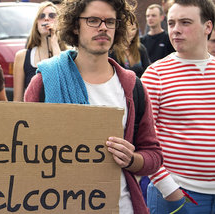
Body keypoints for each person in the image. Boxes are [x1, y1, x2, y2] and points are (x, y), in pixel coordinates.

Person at [24, 0, 163, 213]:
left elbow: (153, 155)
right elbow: (23, 153)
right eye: (93, 20)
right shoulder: (45, 82)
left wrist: (131, 159)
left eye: (110, 21)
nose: (103, 27)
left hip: (120, 206)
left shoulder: (132, 86)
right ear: (75, 26)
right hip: (58, 204)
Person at [141, 0, 215, 213]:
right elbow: (142, 138)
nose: (176, 30)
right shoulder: (156, 75)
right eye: (172, 23)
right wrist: (169, 189)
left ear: (207, 27)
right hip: (177, 195)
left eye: (185, 22)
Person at [13, 1, 66, 102]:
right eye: (41, 16)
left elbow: (63, 79)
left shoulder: (69, 54)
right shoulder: (22, 56)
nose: (46, 19)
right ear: (36, 24)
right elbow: (17, 100)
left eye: (52, 15)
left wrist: (54, 40)